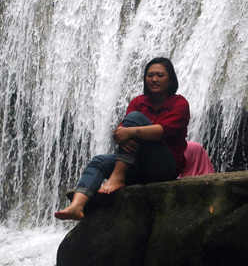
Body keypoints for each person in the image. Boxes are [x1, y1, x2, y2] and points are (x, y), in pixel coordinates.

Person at [55, 57, 190, 221]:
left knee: (134, 118)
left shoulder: (179, 103)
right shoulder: (139, 101)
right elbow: (121, 132)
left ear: (170, 80)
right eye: (150, 75)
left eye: (160, 75)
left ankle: (117, 177)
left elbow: (163, 131)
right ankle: (76, 206)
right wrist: (125, 135)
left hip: (164, 167)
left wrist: (131, 132)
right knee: (99, 161)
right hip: (138, 166)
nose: (154, 79)